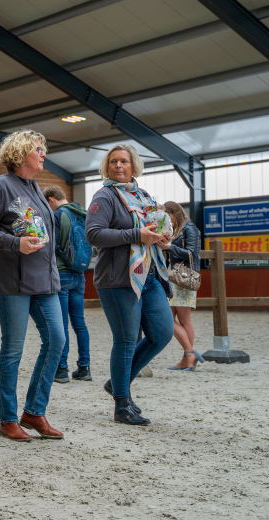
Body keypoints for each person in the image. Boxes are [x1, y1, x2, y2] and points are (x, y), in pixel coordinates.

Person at [0, 129, 65, 442]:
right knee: (13, 348)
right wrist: (14, 243)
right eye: (39, 148)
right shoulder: (0, 185)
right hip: (13, 282)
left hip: (45, 282)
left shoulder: (36, 188)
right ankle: (8, 419)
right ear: (21, 153)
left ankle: (34, 412)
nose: (43, 153)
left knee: (57, 340)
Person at [85, 144, 174, 426]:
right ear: (106, 167)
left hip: (149, 275)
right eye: (113, 162)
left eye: (124, 161)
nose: (118, 166)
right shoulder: (104, 196)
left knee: (161, 334)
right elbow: (94, 234)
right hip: (118, 278)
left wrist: (162, 238)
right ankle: (122, 404)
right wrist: (137, 234)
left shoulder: (144, 196)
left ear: (134, 166)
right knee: (125, 341)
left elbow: (153, 228)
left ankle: (117, 382)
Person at [43, 185, 91, 383]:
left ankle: (61, 369)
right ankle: (84, 367)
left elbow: (52, 246)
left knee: (62, 324)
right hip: (80, 274)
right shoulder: (83, 214)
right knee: (79, 323)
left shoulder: (58, 215)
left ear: (51, 199)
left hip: (61, 274)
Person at [161, 201, 204, 371]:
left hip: (183, 278)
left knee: (183, 320)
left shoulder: (190, 228)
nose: (167, 220)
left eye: (168, 216)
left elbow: (193, 254)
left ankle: (188, 356)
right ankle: (189, 355)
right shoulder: (175, 229)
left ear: (175, 213)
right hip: (172, 278)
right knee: (168, 319)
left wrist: (170, 247)